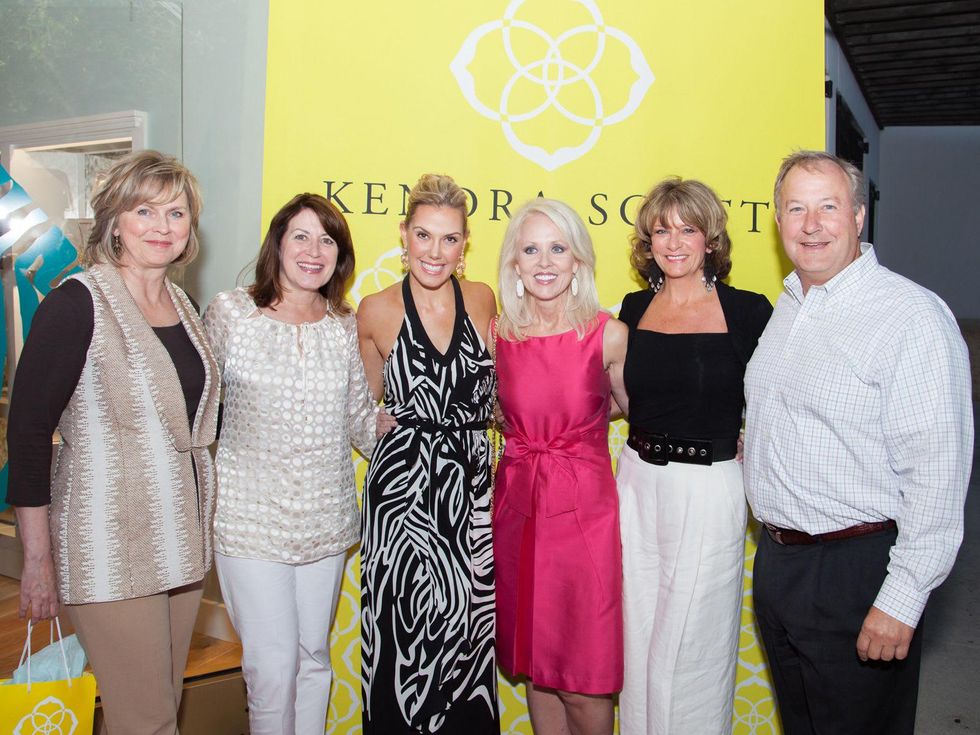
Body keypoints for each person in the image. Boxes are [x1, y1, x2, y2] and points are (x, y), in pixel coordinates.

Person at [744, 150, 973, 735]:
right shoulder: (790, 306)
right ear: (778, 220)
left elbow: (937, 473)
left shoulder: (910, 316)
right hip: (781, 563)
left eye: (828, 207)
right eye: (796, 209)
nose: (811, 225)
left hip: (858, 571)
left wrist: (902, 598)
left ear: (858, 216)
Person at [6, 150, 220, 734]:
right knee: (147, 719)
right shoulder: (76, 303)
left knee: (152, 707)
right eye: (144, 211)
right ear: (114, 222)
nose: (161, 226)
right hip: (107, 545)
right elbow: (28, 435)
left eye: (176, 213)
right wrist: (37, 560)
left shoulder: (183, 305)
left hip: (181, 543)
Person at [203, 193, 380, 735]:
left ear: (340, 257)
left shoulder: (344, 324)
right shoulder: (231, 313)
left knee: (313, 660)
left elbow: (361, 422)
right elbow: (196, 408)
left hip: (325, 524)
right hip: (248, 523)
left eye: (327, 240)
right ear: (277, 244)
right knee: (272, 667)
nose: (313, 250)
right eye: (300, 236)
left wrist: (421, 426)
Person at [616, 177, 772, 735]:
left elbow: (779, 397)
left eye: (688, 229)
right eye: (661, 231)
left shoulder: (749, 311)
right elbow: (617, 398)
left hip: (708, 487)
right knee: (637, 633)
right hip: (636, 482)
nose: (674, 242)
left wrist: (757, 444)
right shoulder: (632, 309)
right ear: (648, 242)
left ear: (711, 239)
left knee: (695, 644)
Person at [356, 173, 499, 734]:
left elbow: (497, 393)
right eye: (424, 235)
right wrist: (376, 424)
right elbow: (364, 405)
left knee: (469, 634)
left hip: (470, 492)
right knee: (402, 635)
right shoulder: (375, 310)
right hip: (402, 496)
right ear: (403, 234)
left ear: (465, 244)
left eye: (449, 238)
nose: (435, 252)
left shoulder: (483, 299)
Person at [492, 198, 628, 735]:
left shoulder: (609, 334)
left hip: (584, 514)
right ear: (514, 263)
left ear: (578, 261)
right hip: (518, 507)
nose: (544, 262)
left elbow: (634, 409)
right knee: (537, 665)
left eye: (557, 248)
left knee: (583, 675)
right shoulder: (498, 335)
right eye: (531, 250)